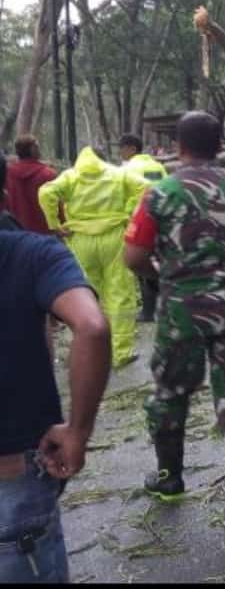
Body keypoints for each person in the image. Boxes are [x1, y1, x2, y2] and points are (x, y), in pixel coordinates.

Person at [123, 111, 225, 529]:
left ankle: (169, 479)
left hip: (180, 315)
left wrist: (171, 275)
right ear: (222, 144)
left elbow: (133, 258)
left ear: (179, 146)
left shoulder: (159, 195)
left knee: (170, 393)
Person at [0, 184, 112, 583]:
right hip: (14, 475)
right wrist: (78, 432)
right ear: (4, 192)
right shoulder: (34, 253)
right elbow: (92, 326)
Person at [38, 147, 149, 368]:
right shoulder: (118, 173)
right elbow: (145, 186)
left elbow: (45, 192)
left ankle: (90, 351)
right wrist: (128, 213)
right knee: (120, 293)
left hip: (81, 240)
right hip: (114, 237)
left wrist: (55, 224)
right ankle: (121, 352)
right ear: (102, 159)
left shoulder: (71, 176)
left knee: (86, 295)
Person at [118, 133, 166, 322]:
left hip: (138, 220)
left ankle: (148, 310)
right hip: (162, 217)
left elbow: (122, 194)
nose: (120, 152)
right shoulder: (157, 166)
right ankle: (163, 305)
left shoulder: (128, 169)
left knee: (142, 265)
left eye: (122, 148)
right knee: (160, 260)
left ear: (132, 148)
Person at [4, 136, 57, 234]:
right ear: (33, 150)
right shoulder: (48, 174)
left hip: (15, 232)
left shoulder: (7, 174)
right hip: (43, 234)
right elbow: (56, 204)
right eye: (37, 146)